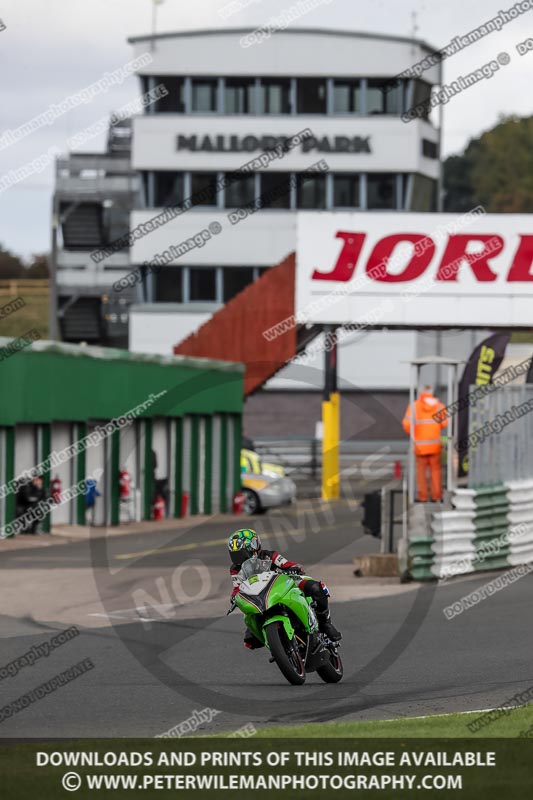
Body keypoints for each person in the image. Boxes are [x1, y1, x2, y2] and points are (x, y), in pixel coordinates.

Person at [227, 528, 341, 648]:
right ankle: (276, 643)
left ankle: (326, 623)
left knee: (316, 588)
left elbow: (288, 564)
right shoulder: (235, 569)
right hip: (259, 595)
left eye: (242, 553)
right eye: (235, 555)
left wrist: (294, 568)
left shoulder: (268, 555)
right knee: (249, 637)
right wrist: (235, 598)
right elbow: (237, 588)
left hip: (284, 582)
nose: (240, 558)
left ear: (253, 546)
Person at [402, 385, 448, 502]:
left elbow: (406, 425)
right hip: (434, 446)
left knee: (421, 474)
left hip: (420, 447)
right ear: (432, 392)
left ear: (421, 392)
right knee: (435, 472)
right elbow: (444, 423)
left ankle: (423, 497)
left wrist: (415, 434)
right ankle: (436, 496)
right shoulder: (439, 406)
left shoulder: (414, 407)